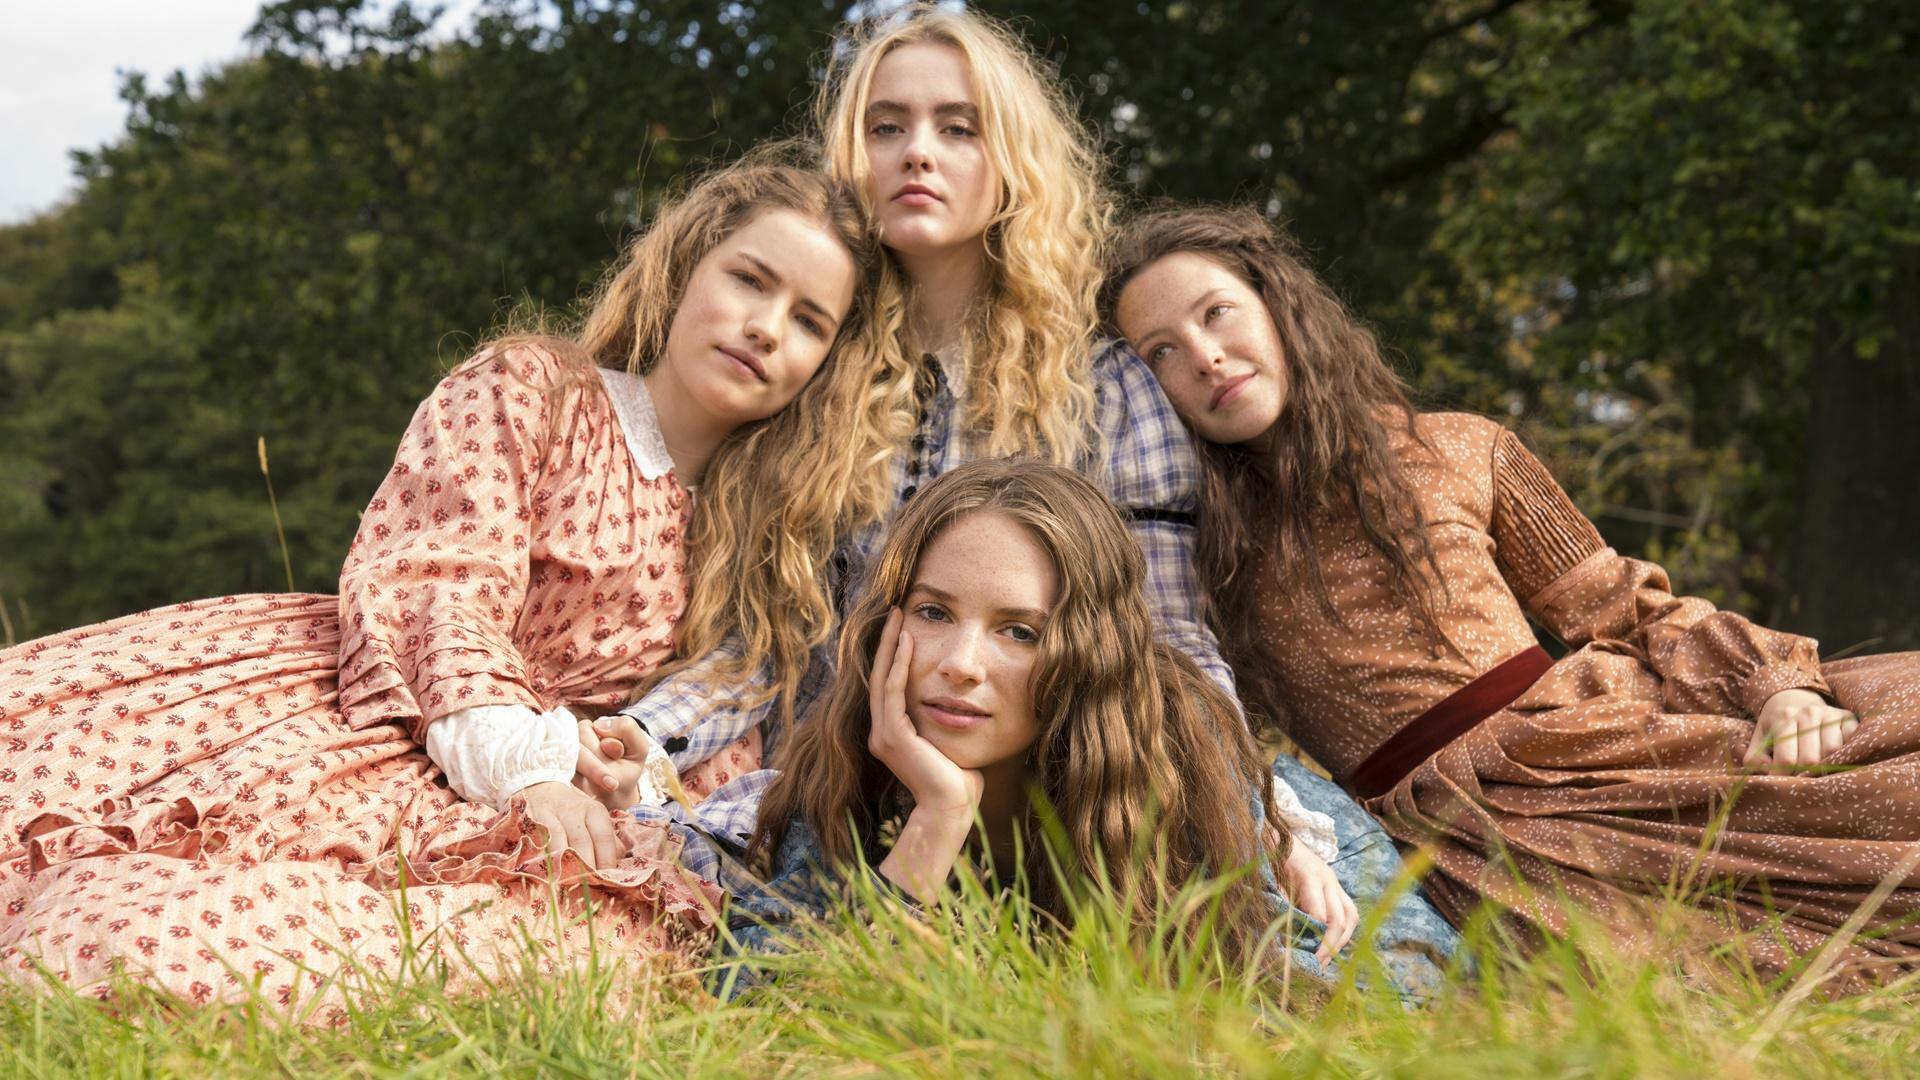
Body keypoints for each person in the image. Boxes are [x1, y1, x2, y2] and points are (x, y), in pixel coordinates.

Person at [603, 7, 1456, 971]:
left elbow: (1170, 642)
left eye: (958, 128)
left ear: (1011, 160)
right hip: (854, 778)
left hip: (1077, 784)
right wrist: (639, 735)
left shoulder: (1106, 386)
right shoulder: (806, 370)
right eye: (886, 126)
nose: (916, 152)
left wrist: (1258, 811)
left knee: (1370, 965)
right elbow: (758, 641)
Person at [0, 158, 877, 1013]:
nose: (767, 327)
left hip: (576, 800)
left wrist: (628, 786)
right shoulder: (536, 392)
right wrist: (529, 769)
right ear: (683, 271)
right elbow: (439, 586)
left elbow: (713, 733)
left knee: (573, 960)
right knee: (141, 918)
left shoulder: (777, 535)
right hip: (401, 717)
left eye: (808, 321)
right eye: (749, 280)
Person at [1101, 203, 1920, 990]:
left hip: (1604, 744)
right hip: (1459, 840)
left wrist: (1773, 684)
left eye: (1217, 313)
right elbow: (1199, 715)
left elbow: (1626, 606)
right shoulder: (1193, 551)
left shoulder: (1459, 447)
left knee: (1881, 753)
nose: (1204, 357)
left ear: (1280, 306)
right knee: (1704, 967)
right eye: (1160, 352)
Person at [718, 458, 1450, 1000]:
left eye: (1020, 631)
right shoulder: (853, 761)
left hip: (1304, 834)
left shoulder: (1169, 760)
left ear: (1087, 653)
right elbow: (757, 995)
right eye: (934, 612)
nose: (959, 664)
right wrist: (935, 820)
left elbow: (1324, 999)